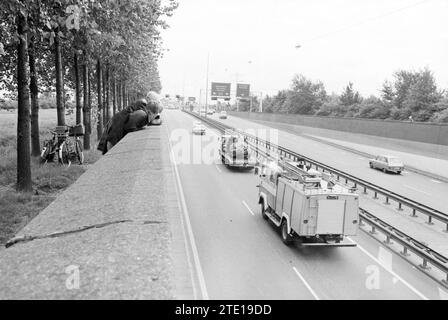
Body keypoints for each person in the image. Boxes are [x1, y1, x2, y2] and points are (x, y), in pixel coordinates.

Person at [97, 92, 162, 154]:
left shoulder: (144, 106)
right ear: (149, 99)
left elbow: (146, 119)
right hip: (117, 128)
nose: (155, 103)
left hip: (117, 125)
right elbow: (133, 122)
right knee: (111, 150)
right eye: (155, 101)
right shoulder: (142, 106)